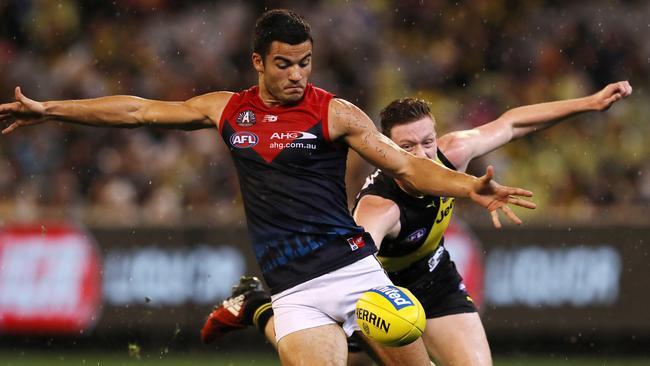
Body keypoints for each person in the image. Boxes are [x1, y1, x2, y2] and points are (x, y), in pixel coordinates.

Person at [0, 9, 536, 366]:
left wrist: (468, 188)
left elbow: (408, 169)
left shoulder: (334, 112)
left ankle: (255, 306)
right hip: (294, 289)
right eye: (284, 64)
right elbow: (138, 111)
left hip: (353, 271)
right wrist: (50, 110)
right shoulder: (227, 109)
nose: (297, 75)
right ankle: (262, 306)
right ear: (258, 62)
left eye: (304, 63)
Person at [200, 81, 632, 365]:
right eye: (409, 147)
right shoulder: (377, 210)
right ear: (386, 150)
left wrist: (589, 104)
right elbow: (334, 268)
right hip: (374, 294)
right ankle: (256, 304)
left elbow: (513, 123)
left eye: (428, 140)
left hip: (435, 280)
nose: (425, 154)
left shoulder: (453, 153)